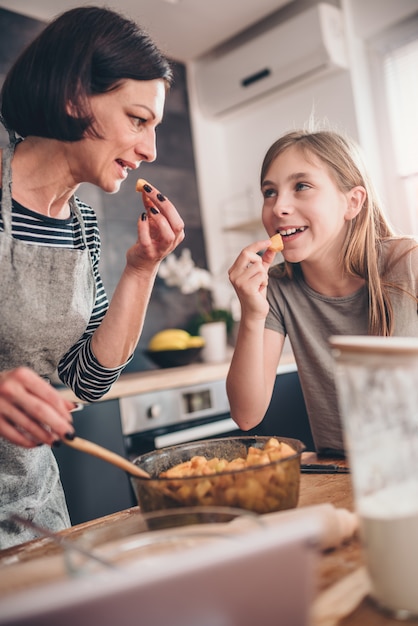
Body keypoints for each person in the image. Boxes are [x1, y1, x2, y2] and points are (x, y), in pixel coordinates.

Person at [0, 6, 184, 549]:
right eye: (137, 119)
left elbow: (86, 381)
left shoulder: (79, 223)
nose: (150, 150)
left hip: (33, 518)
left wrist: (143, 268)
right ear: (75, 96)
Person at [226, 128, 418, 455]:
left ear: (352, 202)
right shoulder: (278, 288)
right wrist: (252, 314)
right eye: (269, 192)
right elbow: (246, 415)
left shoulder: (407, 263)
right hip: (338, 472)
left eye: (301, 186)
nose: (279, 207)